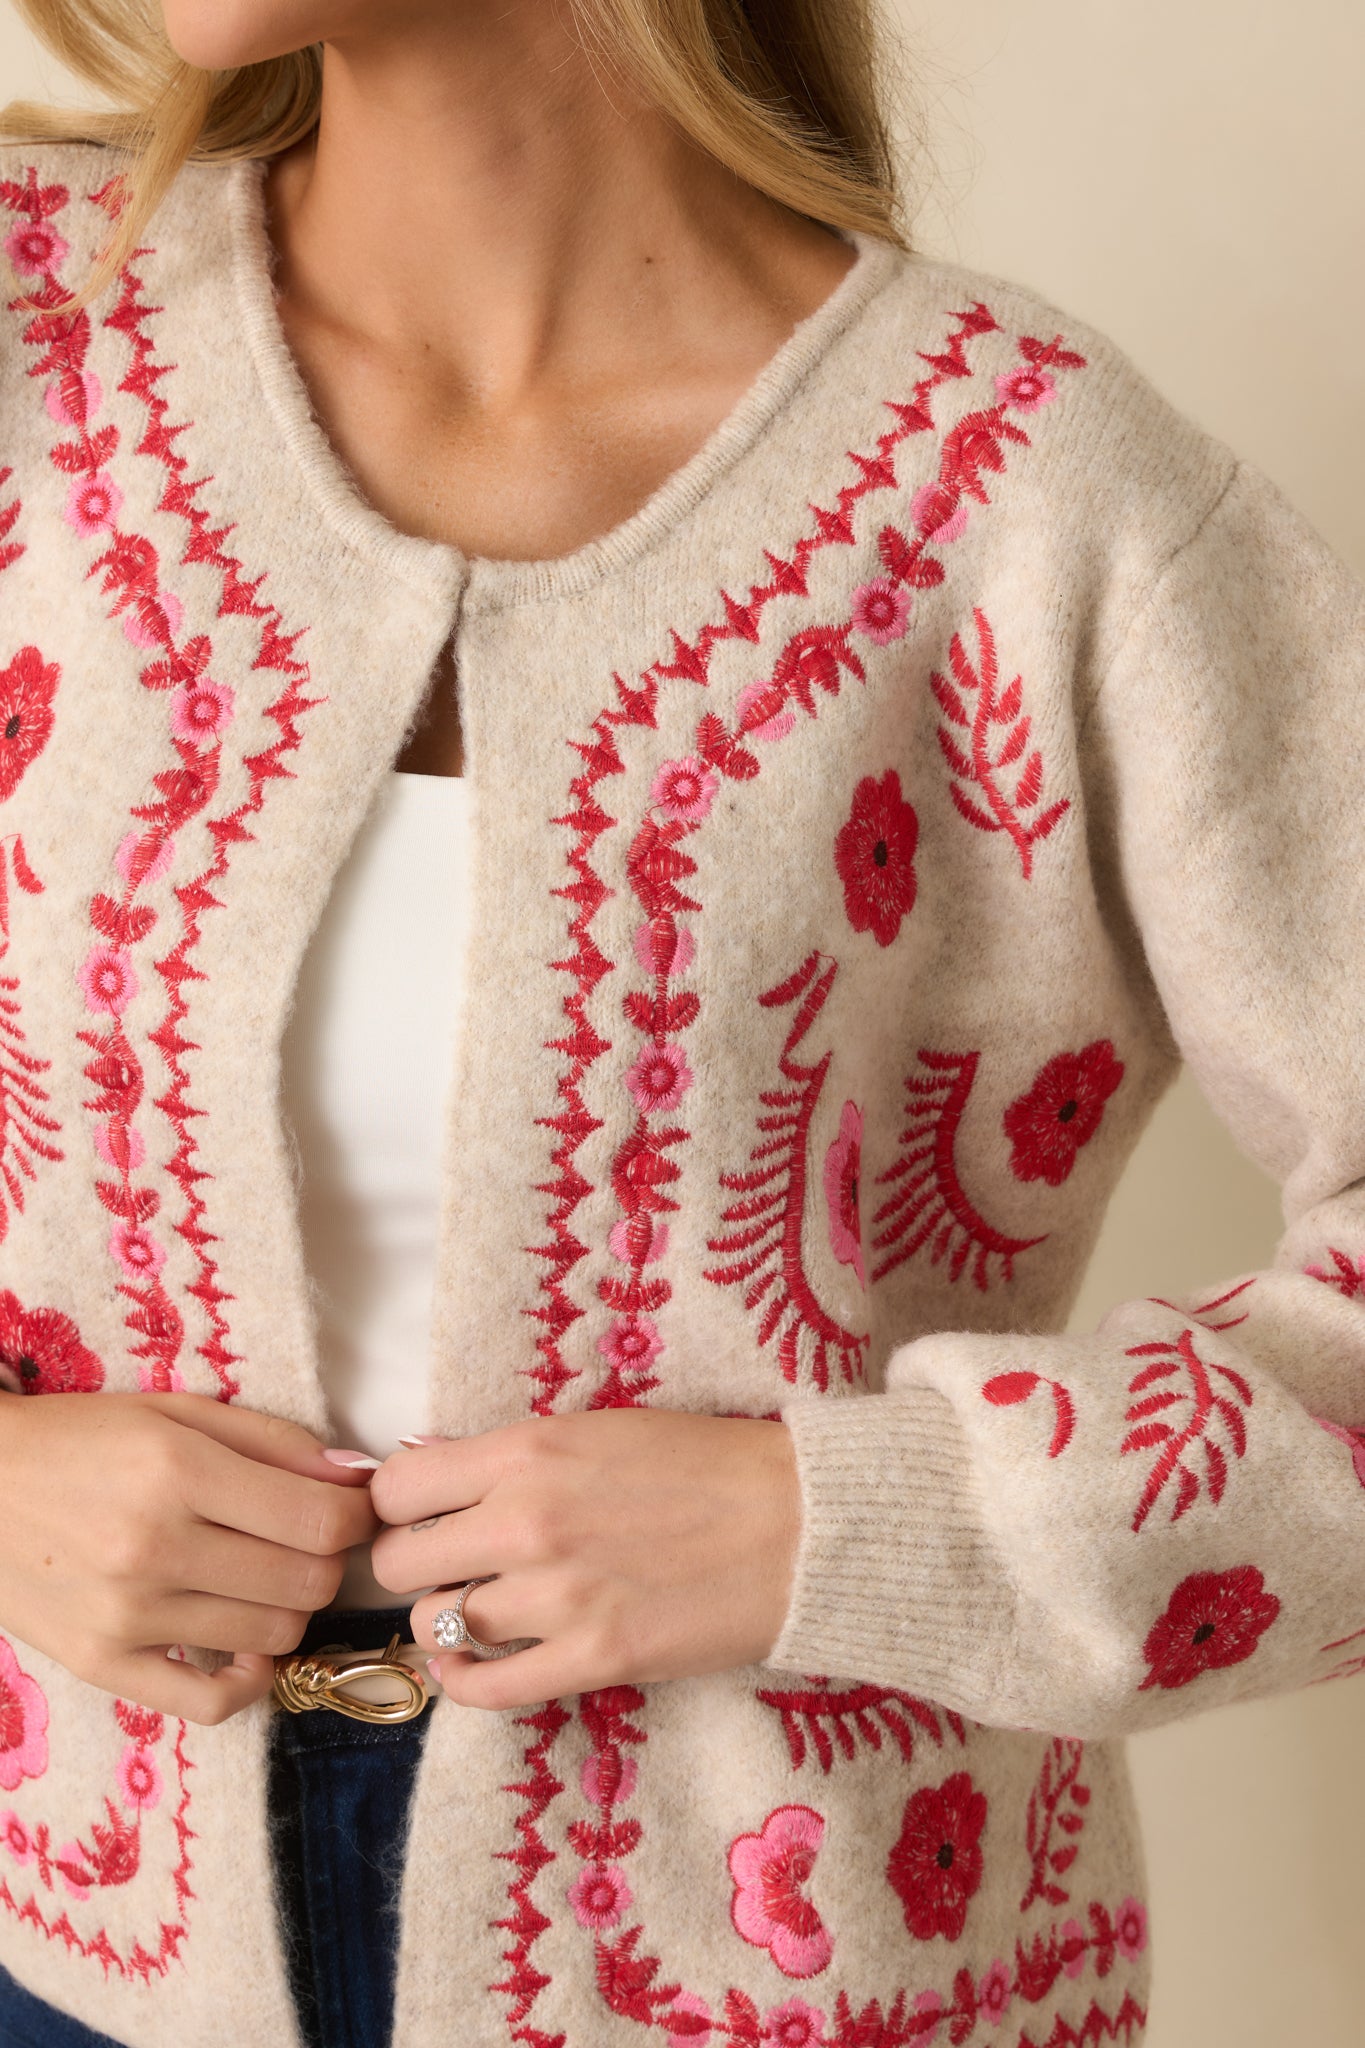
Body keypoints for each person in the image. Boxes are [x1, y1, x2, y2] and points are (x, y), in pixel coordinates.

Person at [0, 2, 1361, 2045]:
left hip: (804, 1984)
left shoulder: (1045, 507)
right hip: (61, 1959)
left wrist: (837, 1517)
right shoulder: (41, 338)